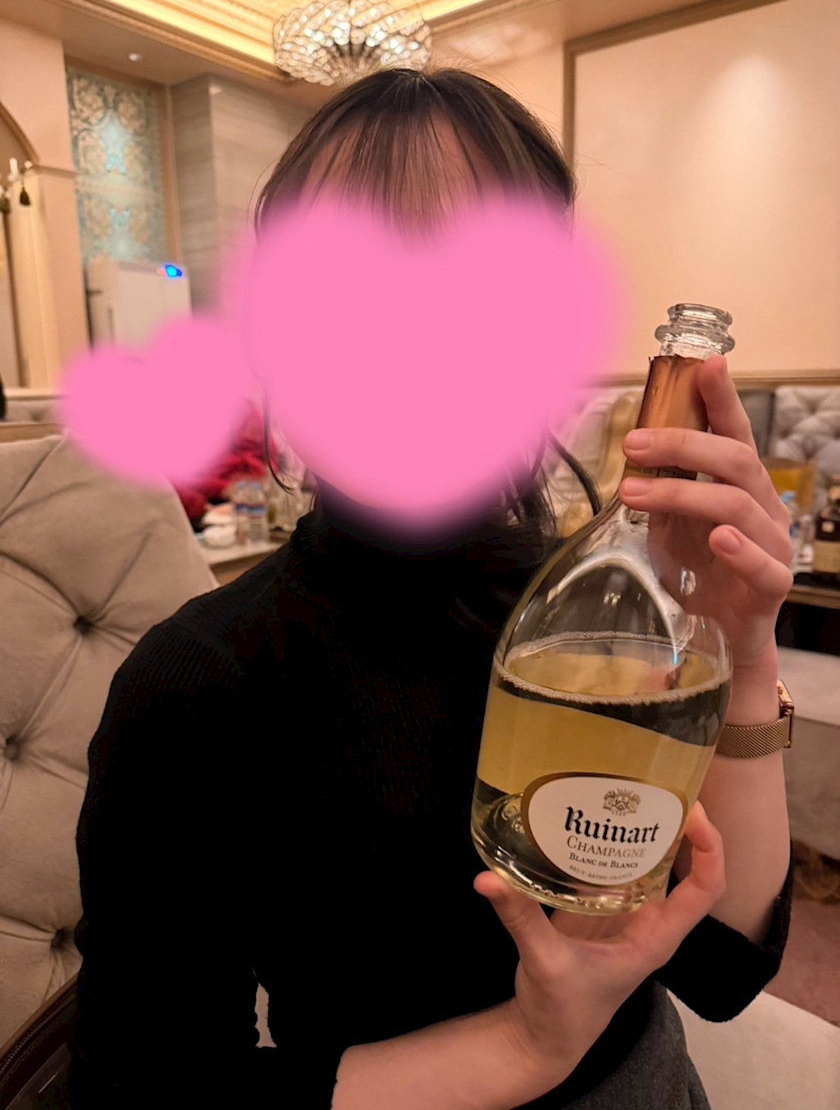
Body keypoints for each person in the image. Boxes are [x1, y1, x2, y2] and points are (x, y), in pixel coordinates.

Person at [68, 69, 794, 1110]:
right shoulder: (198, 683)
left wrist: (742, 647)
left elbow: (720, 971)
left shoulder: (599, 621)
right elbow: (145, 1085)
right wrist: (524, 1046)